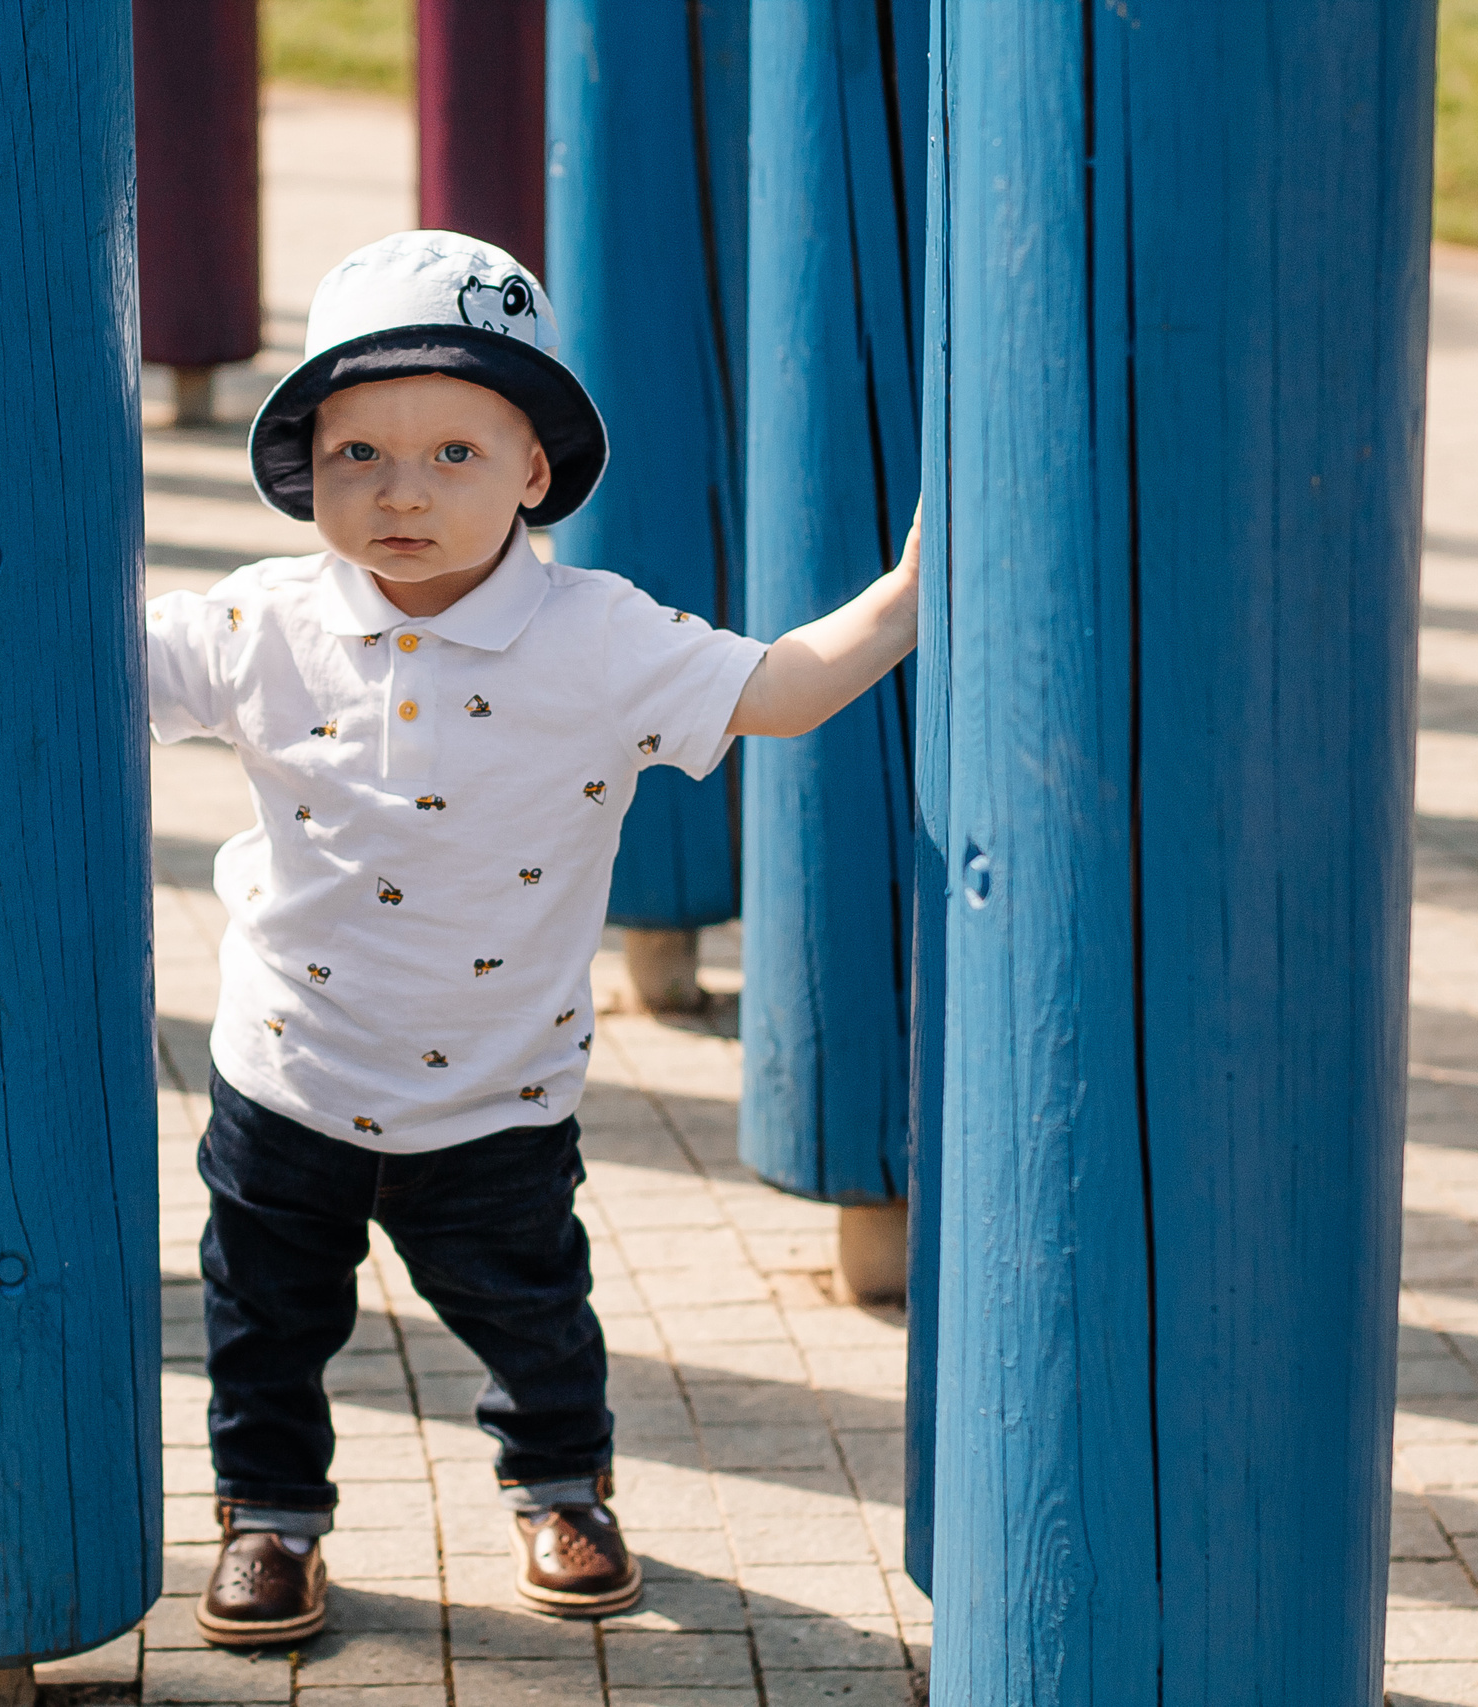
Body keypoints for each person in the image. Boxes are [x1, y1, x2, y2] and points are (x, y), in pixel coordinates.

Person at [145, 230, 919, 1646]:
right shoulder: (265, 619)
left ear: (534, 473)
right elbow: (88, 664)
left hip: (497, 1093)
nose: (400, 493)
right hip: (287, 1075)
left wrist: (911, 593)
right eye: (359, 454)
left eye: (454, 454)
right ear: (308, 468)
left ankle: (562, 1489)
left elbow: (782, 691)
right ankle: (270, 1521)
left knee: (532, 1316)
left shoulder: (597, 636)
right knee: (264, 1326)